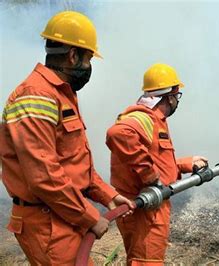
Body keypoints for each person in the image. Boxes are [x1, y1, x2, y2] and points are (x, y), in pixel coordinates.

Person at [0, 11, 134, 265]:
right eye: (88, 58)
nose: (89, 66)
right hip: (46, 222)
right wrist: (90, 217)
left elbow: (74, 161)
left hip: (62, 213)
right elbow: (44, 176)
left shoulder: (60, 94)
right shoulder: (35, 96)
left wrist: (108, 195)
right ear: (73, 55)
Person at [106, 63, 208, 265]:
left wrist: (186, 164)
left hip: (146, 206)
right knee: (146, 262)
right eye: (177, 96)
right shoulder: (144, 117)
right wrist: (150, 178)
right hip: (146, 211)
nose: (177, 101)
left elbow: (155, 159)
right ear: (170, 96)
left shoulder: (155, 119)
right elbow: (117, 134)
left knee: (139, 259)